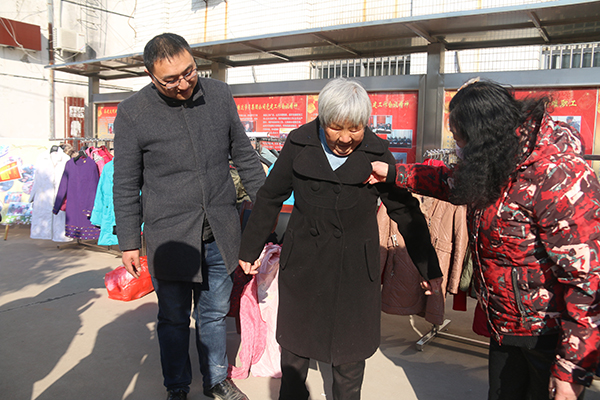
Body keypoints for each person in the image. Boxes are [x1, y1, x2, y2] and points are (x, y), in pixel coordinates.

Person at [367, 79, 600, 400]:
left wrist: (571, 369)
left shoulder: (559, 177)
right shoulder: (500, 158)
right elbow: (453, 182)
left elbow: (586, 280)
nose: (457, 146)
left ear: (483, 135)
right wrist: (394, 173)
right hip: (504, 324)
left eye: (460, 138)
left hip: (547, 335)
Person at [238, 78, 442, 400]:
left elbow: (405, 211)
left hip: (354, 276)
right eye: (336, 128)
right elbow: (270, 197)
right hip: (303, 269)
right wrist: (250, 249)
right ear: (322, 120)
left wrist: (428, 267)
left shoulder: (376, 151)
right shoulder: (299, 143)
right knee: (293, 365)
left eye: (355, 129)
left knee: (348, 369)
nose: (345, 139)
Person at [113, 33, 266, 400]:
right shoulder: (133, 113)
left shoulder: (219, 95)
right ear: (151, 75)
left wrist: (265, 219)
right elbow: (126, 181)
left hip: (220, 231)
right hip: (170, 237)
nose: (183, 84)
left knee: (213, 314)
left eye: (189, 72)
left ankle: (216, 380)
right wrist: (130, 242)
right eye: (171, 80)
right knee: (174, 318)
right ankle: (177, 386)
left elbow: (245, 158)